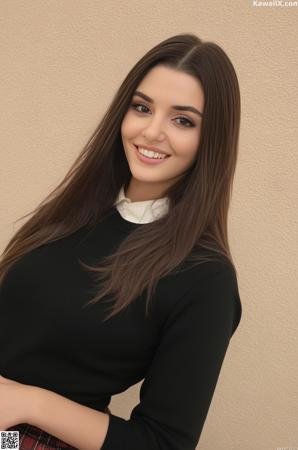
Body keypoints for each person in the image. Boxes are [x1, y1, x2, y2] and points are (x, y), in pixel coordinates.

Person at [0, 33, 242, 450]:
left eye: (182, 120)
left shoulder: (205, 278)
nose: (152, 132)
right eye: (142, 108)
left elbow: (163, 442)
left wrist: (29, 403)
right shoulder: (74, 212)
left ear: (211, 140)